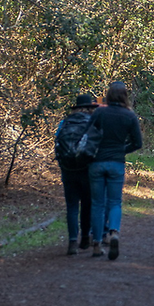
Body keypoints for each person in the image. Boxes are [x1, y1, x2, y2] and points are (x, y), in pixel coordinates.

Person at [87, 81, 143, 260]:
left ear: (109, 95)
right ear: (125, 96)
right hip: (116, 163)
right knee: (115, 202)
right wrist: (121, 150)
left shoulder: (99, 112)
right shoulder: (129, 116)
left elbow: (88, 134)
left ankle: (96, 242)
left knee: (97, 203)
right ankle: (114, 232)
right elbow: (137, 143)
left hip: (97, 162)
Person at [55, 93, 99, 255]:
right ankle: (85, 237)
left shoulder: (64, 123)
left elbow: (57, 143)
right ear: (89, 108)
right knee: (87, 204)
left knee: (72, 206)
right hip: (86, 168)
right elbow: (96, 145)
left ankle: (72, 241)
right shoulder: (92, 122)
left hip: (68, 169)